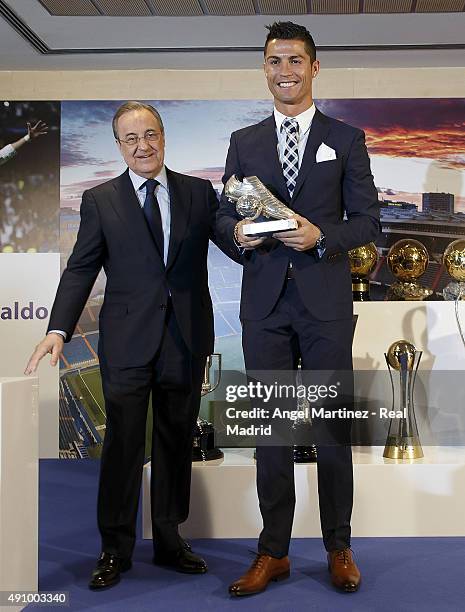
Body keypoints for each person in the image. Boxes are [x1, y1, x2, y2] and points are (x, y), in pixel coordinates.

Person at [25, 101, 240, 590]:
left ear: (163, 136)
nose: (143, 146)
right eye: (131, 138)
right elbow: (82, 268)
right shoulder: (101, 199)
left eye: (150, 134)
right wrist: (58, 328)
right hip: (125, 342)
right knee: (122, 445)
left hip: (184, 339)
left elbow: (231, 244)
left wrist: (257, 233)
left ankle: (169, 539)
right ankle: (114, 548)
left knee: (174, 441)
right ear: (119, 146)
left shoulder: (198, 192)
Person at [216, 22, 380, 595]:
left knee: (332, 430)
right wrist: (237, 230)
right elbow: (221, 216)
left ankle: (339, 546)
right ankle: (274, 552)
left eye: (294, 60)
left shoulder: (347, 139)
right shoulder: (245, 141)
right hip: (264, 306)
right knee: (272, 434)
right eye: (273, 61)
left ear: (314, 68)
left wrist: (322, 238)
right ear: (264, 70)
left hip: (325, 305)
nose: (284, 70)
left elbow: (367, 222)